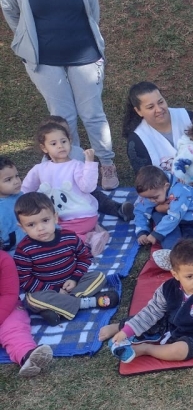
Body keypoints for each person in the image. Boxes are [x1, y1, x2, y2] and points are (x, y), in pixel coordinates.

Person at [0, 0, 118, 190]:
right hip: (43, 58)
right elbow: (10, 8)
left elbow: (92, 8)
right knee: (63, 117)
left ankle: (107, 164)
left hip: (84, 52)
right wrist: (23, 37)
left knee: (92, 112)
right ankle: (73, 168)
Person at [101, 239, 193, 364]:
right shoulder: (167, 288)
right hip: (170, 323)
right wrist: (126, 331)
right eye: (190, 276)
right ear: (175, 274)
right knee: (149, 318)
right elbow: (150, 313)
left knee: (179, 351)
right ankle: (118, 327)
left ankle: (146, 349)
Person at [14, 192, 118, 326]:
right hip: (46, 290)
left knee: (99, 276)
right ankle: (88, 302)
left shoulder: (69, 237)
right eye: (31, 225)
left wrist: (74, 278)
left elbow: (84, 257)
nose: (40, 228)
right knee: (32, 300)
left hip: (73, 284)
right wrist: (55, 290)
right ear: (22, 228)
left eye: (45, 220)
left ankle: (60, 309)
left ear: (55, 218)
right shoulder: (24, 250)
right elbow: (25, 280)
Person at [22, 122, 110, 255]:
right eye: (53, 143)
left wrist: (89, 163)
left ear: (70, 141)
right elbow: (25, 191)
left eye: (63, 141)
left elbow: (88, 187)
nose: (60, 146)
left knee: (57, 237)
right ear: (44, 148)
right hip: (58, 218)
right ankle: (92, 231)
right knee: (47, 232)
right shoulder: (39, 169)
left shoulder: (77, 166)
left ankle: (90, 238)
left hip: (81, 215)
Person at [42, 115, 134, 222]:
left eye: (65, 136)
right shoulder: (46, 160)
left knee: (99, 197)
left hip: (82, 189)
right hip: (62, 195)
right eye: (54, 141)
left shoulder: (78, 151)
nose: (60, 144)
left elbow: (86, 175)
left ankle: (119, 210)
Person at [0, 245, 53, 377]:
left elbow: (9, 294)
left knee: (14, 327)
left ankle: (28, 356)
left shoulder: (3, 259)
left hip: (6, 307)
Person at [0, 158, 25, 253]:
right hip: (10, 253)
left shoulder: (22, 197)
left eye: (17, 176)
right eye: (8, 179)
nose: (16, 181)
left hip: (32, 244)